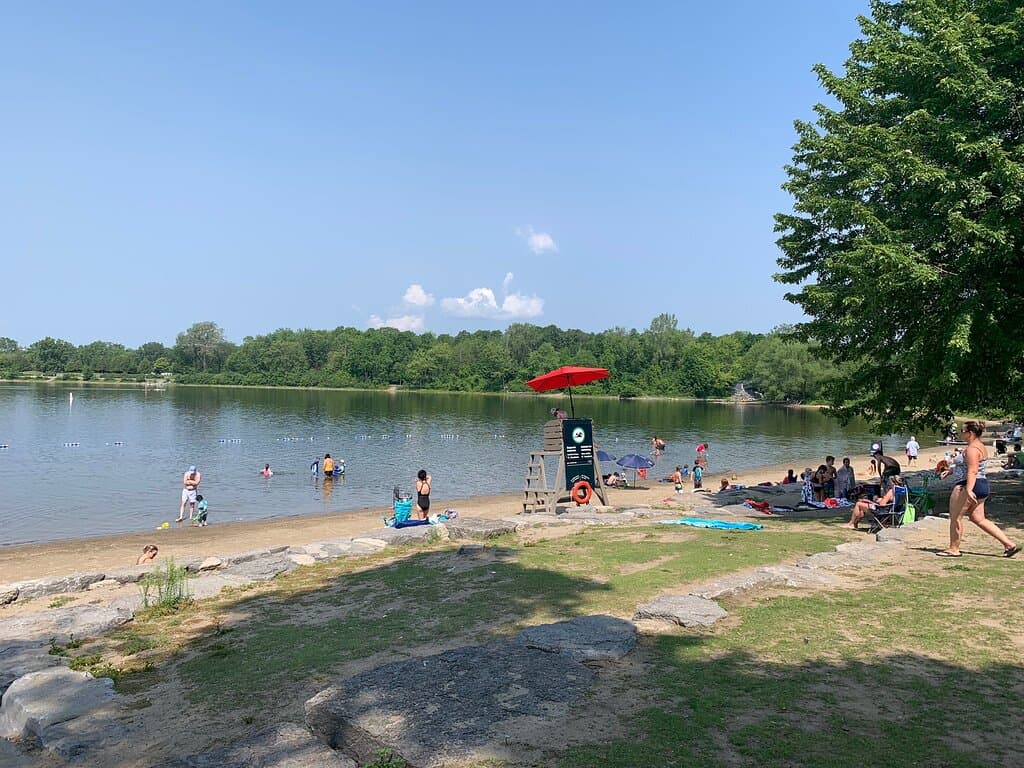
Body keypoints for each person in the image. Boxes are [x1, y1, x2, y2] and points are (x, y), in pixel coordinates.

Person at [937, 420, 1019, 558]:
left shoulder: (972, 449)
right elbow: (970, 466)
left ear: (970, 433)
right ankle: (1008, 544)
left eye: (962, 431)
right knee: (978, 518)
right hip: (981, 484)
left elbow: (973, 470)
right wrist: (951, 471)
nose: (960, 433)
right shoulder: (978, 446)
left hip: (968, 484)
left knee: (956, 517)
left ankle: (954, 548)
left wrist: (968, 490)